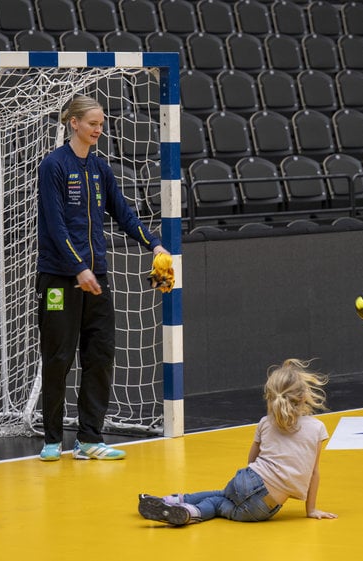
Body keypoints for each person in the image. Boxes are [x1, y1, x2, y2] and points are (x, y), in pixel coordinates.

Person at [36, 95, 170, 462]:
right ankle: (51, 439)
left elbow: (124, 213)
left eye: (101, 123)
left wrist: (154, 244)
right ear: (73, 123)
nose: (99, 129)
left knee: (100, 355)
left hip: (97, 278)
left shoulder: (100, 168)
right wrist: (78, 268)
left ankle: (89, 439)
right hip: (60, 279)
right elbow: (55, 224)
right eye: (93, 123)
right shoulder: (54, 166)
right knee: (58, 357)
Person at [138, 359, 338, 525]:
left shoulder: (266, 422)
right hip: (265, 506)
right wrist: (310, 509)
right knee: (217, 505)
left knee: (221, 495)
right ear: (303, 396)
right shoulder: (317, 428)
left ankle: (170, 500)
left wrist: (251, 480)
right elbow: (314, 472)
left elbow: (252, 457)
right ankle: (190, 512)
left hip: (248, 478)